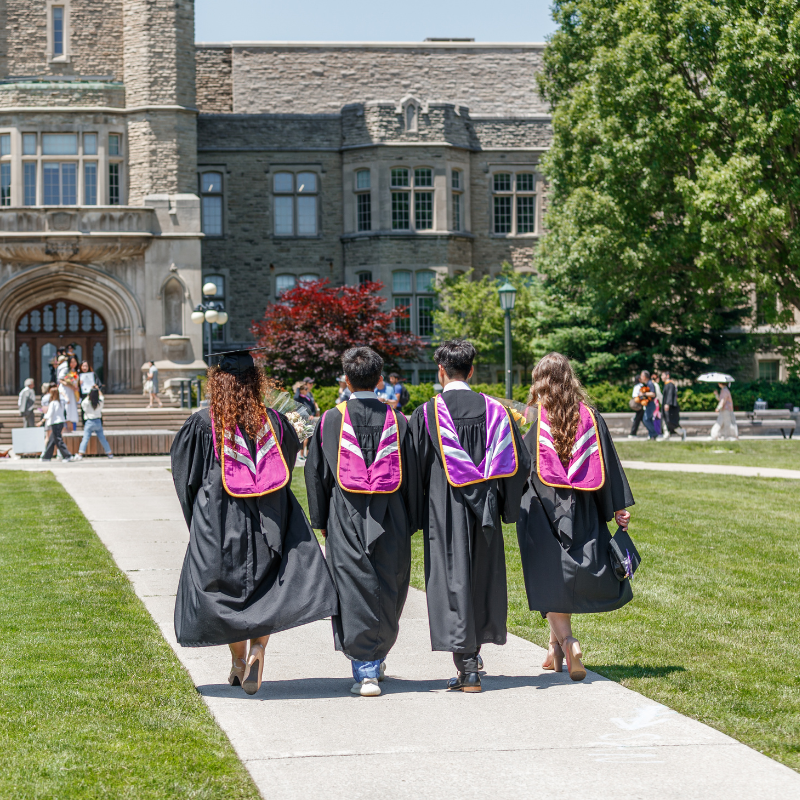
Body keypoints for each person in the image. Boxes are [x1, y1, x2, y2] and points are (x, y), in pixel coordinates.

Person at [170, 350, 338, 695]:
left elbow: (186, 478)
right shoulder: (275, 421)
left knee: (228, 588)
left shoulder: (203, 423)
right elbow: (286, 464)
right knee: (266, 585)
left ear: (217, 384)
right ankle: (259, 649)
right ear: (255, 382)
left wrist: (197, 517)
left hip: (220, 518)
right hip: (270, 515)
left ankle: (236, 662)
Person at [410, 340, 530, 692]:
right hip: (487, 512)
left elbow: (414, 470)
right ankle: (473, 658)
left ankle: (467, 667)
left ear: (441, 372)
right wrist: (505, 507)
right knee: (481, 578)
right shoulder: (498, 412)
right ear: (472, 370)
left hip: (444, 510)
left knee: (452, 581)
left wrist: (418, 515)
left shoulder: (427, 413)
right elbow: (519, 465)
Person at [306, 348, 421, 696]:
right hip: (392, 516)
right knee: (389, 583)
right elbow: (413, 477)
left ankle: (366, 667)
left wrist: (321, 520)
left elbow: (316, 475)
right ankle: (376, 655)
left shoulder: (329, 421)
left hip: (346, 514)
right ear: (381, 380)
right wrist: (410, 520)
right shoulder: (399, 420)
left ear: (345, 380)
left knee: (352, 586)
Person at [517, 353, 634, 681]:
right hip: (582, 506)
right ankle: (553, 649)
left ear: (539, 381)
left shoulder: (533, 419)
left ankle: (569, 643)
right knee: (558, 577)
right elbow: (607, 463)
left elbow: (520, 467)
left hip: (541, 509)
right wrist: (616, 507)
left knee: (549, 576)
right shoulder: (591, 417)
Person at [73, 387, 114, 460]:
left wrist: (89, 394)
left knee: (85, 438)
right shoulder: (100, 402)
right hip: (98, 421)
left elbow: (83, 404)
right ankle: (109, 453)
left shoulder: (87, 402)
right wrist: (98, 390)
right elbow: (102, 397)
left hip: (89, 421)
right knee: (102, 439)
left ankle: (80, 454)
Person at [38, 386, 74, 462]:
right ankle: (47, 457)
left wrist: (42, 421)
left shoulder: (53, 403)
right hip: (60, 422)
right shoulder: (60, 402)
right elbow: (67, 400)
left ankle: (67, 456)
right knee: (52, 440)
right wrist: (63, 394)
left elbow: (49, 413)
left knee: (58, 440)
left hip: (56, 423)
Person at [294, 379, 319, 461]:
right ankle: (301, 454)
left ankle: (307, 454)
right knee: (303, 436)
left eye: (306, 389)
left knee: (310, 435)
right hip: (302, 419)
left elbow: (311, 406)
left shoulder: (307, 397)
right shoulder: (298, 398)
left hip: (309, 419)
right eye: (305, 389)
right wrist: (298, 389)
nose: (306, 391)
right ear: (301, 390)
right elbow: (296, 397)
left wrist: (312, 414)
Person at [628, 370, 657, 439]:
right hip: (647, 404)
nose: (640, 378)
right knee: (648, 420)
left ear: (644, 377)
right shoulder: (646, 384)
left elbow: (653, 394)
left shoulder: (650, 383)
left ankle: (654, 433)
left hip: (650, 404)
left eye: (641, 376)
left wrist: (643, 394)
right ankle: (652, 435)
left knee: (646, 420)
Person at [658, 371, 686, 440]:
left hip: (670, 407)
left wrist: (667, 404)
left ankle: (681, 432)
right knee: (665, 420)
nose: (661, 377)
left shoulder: (670, 384)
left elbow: (670, 395)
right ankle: (666, 434)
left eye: (663, 375)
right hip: (666, 406)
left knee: (670, 421)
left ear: (667, 376)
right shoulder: (666, 384)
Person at [59, 355, 80, 432]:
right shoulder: (65, 370)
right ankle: (66, 428)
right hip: (66, 391)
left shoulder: (76, 371)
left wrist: (76, 386)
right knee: (67, 408)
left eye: (74, 362)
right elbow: (61, 380)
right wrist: (69, 385)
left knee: (72, 409)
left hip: (73, 392)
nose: (73, 364)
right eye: (71, 362)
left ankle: (71, 428)